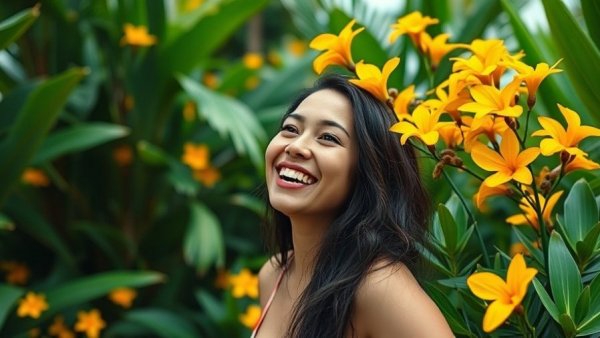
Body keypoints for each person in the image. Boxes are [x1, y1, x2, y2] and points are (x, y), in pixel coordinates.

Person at [253, 74, 453, 338]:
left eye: (328, 137)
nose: (296, 146)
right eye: (291, 129)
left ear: (368, 171)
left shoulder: (379, 288)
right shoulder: (273, 276)